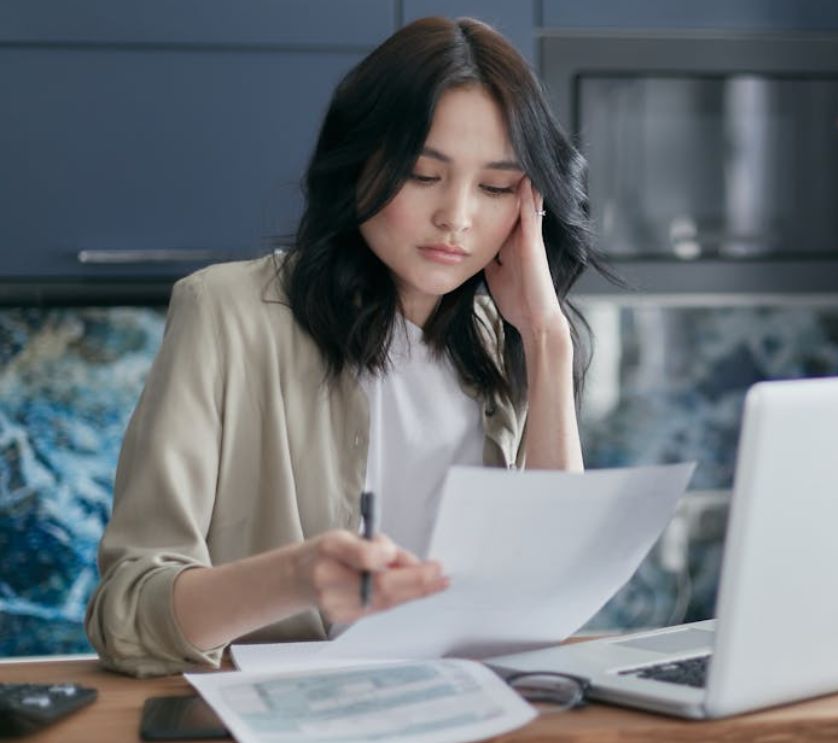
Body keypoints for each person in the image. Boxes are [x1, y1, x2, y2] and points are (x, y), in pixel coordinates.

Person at [84, 16, 606, 677]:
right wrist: (299, 574)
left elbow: (553, 598)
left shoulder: (506, 342)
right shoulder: (226, 313)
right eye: (423, 174)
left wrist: (546, 336)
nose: (457, 217)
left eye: (496, 187)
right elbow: (127, 616)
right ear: (359, 162)